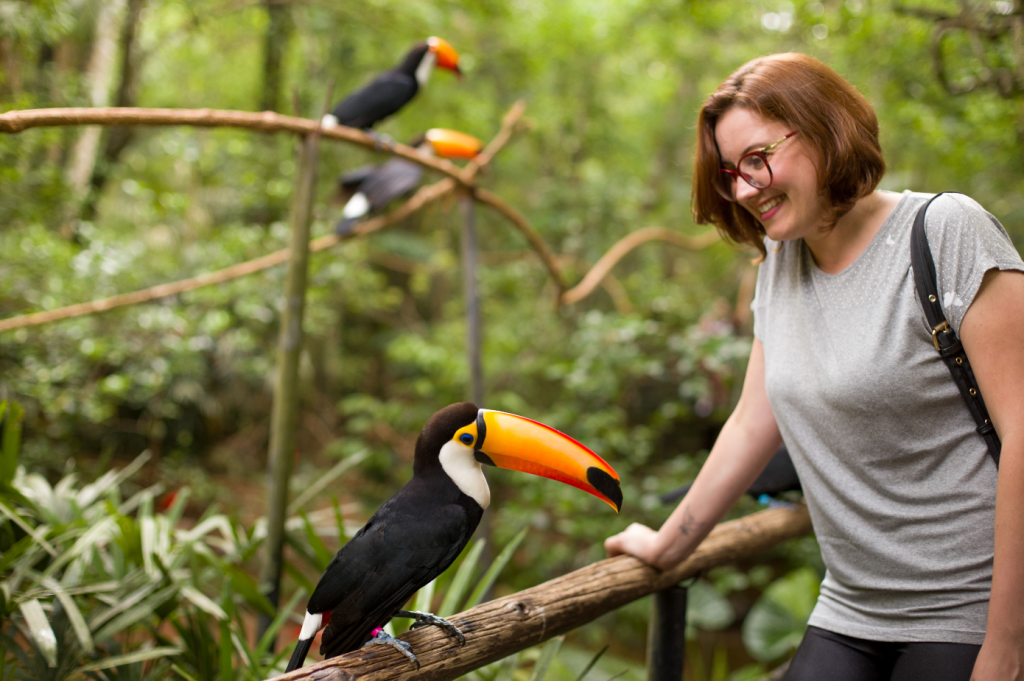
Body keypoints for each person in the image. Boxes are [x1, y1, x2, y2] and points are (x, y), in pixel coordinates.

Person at [604, 53, 1024, 680]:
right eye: (729, 172)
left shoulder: (946, 230)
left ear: (826, 129)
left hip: (971, 608)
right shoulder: (780, 259)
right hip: (852, 606)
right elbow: (752, 421)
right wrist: (668, 545)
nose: (745, 188)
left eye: (758, 158)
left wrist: (1006, 646)